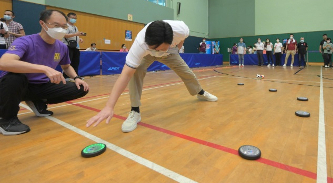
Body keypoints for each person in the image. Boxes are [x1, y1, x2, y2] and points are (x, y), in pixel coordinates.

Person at [86, 20, 218, 132]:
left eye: (161, 49)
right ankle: (135, 111)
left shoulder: (182, 30)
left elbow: (183, 38)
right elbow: (125, 75)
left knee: (186, 72)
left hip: (170, 51)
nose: (158, 53)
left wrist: (176, 48)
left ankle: (200, 92)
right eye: (157, 49)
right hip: (148, 53)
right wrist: (109, 106)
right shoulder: (140, 45)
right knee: (135, 71)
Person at [0, 10, 89, 136]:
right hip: (17, 86)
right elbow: (4, 62)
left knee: (81, 88)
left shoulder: (62, 47)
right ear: (43, 24)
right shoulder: (26, 41)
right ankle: (7, 120)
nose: (61, 30)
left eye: (64, 27)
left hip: (40, 86)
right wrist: (43, 68)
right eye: (56, 25)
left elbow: (66, 66)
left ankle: (37, 100)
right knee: (15, 78)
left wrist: (76, 77)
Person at [62, 12, 85, 79]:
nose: (74, 19)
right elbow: (64, 35)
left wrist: (79, 38)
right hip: (68, 46)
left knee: (76, 62)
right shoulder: (65, 26)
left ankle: (75, 76)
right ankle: (66, 77)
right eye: (72, 18)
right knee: (68, 63)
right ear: (68, 18)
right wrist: (75, 34)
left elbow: (74, 35)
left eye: (75, 18)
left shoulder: (75, 27)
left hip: (75, 47)